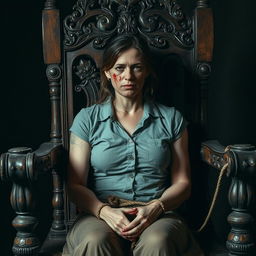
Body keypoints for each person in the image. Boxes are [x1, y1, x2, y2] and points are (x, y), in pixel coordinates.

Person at [62, 34, 204, 256]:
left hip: (158, 214)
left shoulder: (171, 118)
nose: (128, 76)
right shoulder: (87, 119)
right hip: (100, 214)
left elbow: (183, 182)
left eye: (137, 67)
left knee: (158, 241)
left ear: (146, 71)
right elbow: (75, 185)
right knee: (94, 240)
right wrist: (104, 211)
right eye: (120, 68)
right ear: (108, 73)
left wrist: (155, 208)